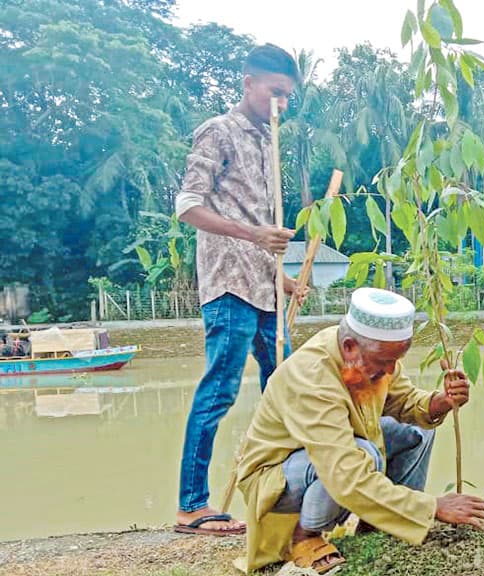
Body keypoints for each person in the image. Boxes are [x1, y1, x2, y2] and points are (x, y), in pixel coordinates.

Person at [234, 287, 484, 573]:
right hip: (276, 476)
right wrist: (432, 507)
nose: (390, 371)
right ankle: (304, 537)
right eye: (384, 362)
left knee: (417, 430)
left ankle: (378, 524)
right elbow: (344, 472)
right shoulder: (312, 378)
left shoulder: (372, 356)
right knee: (364, 454)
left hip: (337, 456)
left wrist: (441, 402)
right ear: (349, 347)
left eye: (395, 361)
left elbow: (406, 402)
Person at [173, 44, 307, 536]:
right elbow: (188, 206)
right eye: (276, 94)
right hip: (229, 284)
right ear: (248, 83)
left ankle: (288, 495)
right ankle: (192, 506)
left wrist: (284, 277)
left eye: (288, 98)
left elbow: (260, 225)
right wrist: (255, 237)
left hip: (264, 288)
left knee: (288, 386)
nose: (282, 106)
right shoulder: (219, 131)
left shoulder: (267, 141)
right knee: (219, 391)